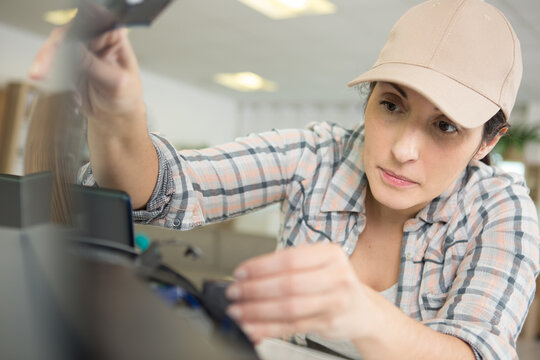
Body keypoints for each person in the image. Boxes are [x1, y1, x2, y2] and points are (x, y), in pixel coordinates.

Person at [30, 0, 540, 359]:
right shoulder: (318, 154)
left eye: (445, 126)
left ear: (488, 142)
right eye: (391, 105)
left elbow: (479, 353)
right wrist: (119, 115)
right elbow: (168, 188)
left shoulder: (501, 209)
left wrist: (362, 313)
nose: (404, 150)